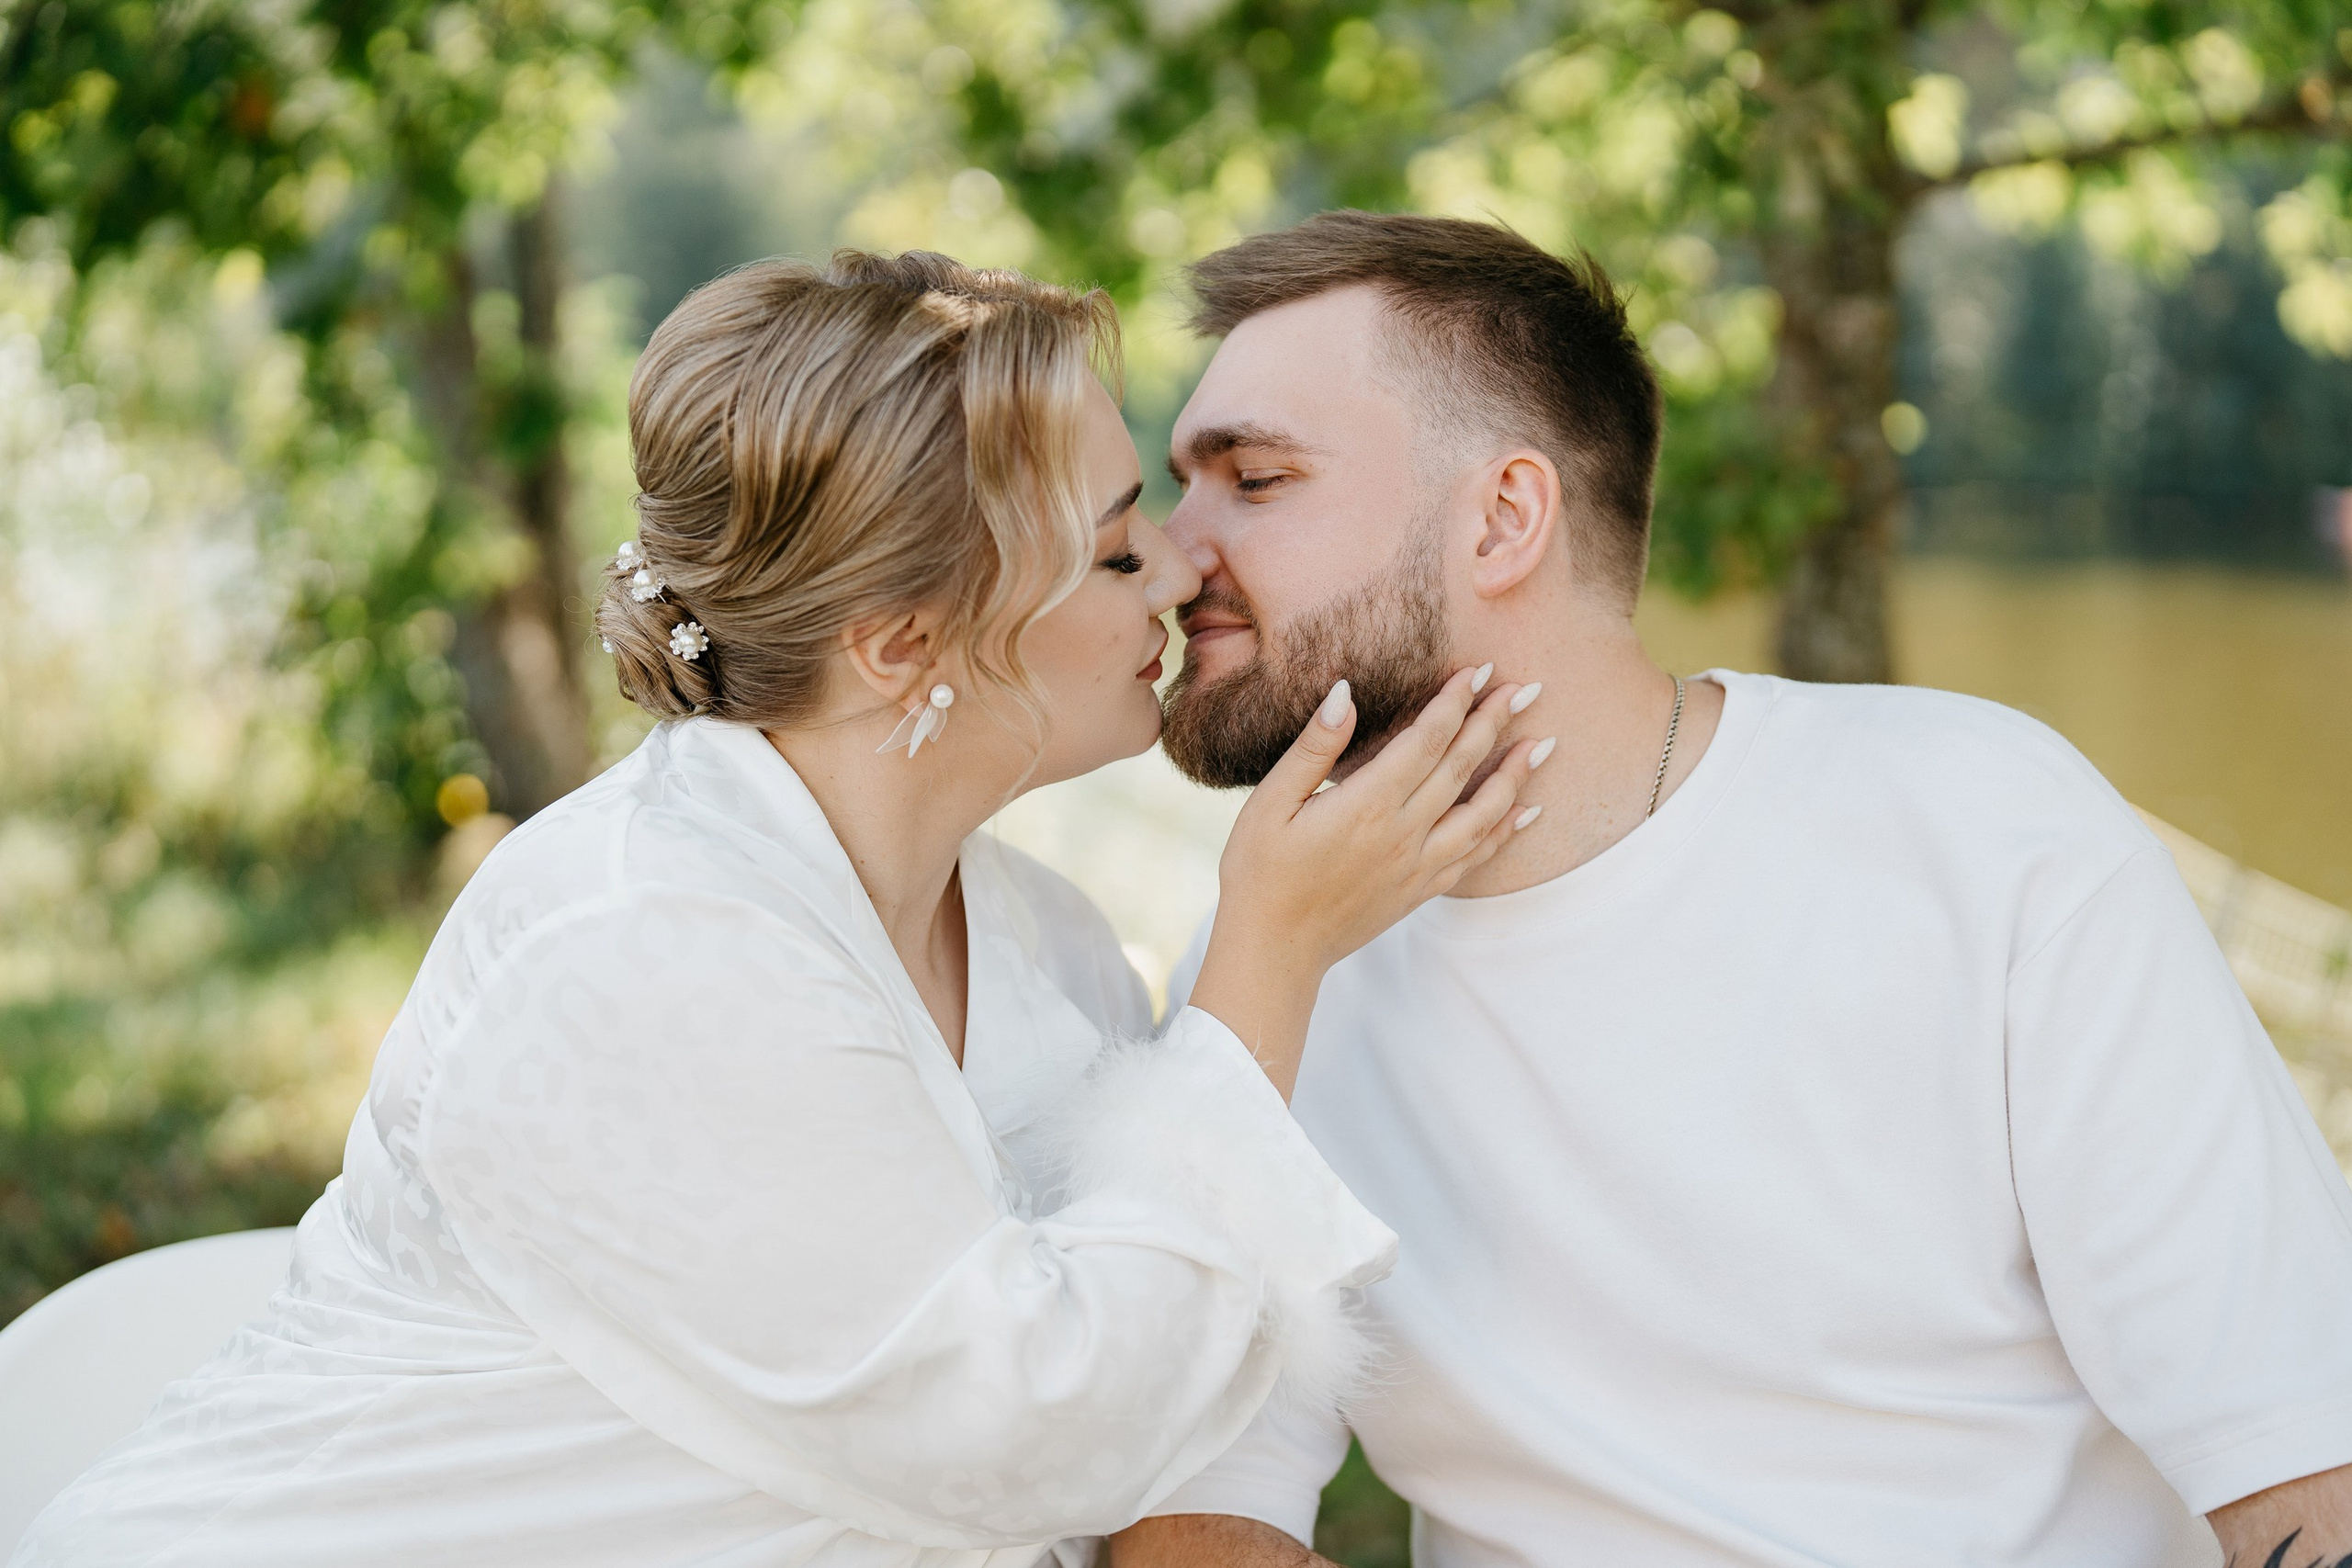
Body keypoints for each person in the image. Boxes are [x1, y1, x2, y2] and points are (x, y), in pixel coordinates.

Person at [10, 251, 1548, 1568]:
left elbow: (1174, 1400)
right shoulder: (637, 951)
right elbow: (1037, 1440)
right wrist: (1273, 951)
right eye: (1108, 546)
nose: (1174, 578)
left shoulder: (1053, 946)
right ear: (899, 643)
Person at [1112, 211, 2352, 1568]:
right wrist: (1260, 968)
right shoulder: (1271, 966)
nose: (1173, 558)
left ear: (1505, 518)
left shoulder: (1984, 832)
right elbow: (1201, 1514)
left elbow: (2297, 1455)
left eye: (1256, 479)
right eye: (1186, 485)